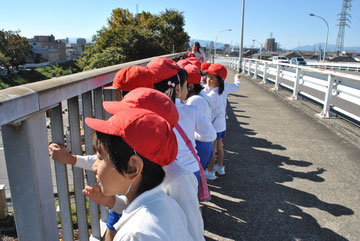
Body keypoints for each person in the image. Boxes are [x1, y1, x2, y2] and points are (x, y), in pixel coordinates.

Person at [86, 107, 194, 240]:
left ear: (132, 168)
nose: (94, 166)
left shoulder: (135, 235)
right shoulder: (168, 205)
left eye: (100, 158)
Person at [147, 57, 216, 184]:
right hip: (189, 170)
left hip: (159, 173)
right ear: (178, 89)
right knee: (188, 203)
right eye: (186, 87)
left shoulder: (147, 113)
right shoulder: (191, 111)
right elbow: (210, 135)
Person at [204, 63, 241, 180]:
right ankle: (220, 167)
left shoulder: (211, 95)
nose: (208, 79)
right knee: (219, 147)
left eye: (212, 78)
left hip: (214, 126)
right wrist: (236, 78)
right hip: (221, 125)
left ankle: (210, 172)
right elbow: (236, 86)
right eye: (207, 75)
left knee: (212, 150)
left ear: (219, 80)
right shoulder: (224, 88)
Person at [184, 64, 216, 170]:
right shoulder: (202, 94)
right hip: (206, 143)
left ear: (191, 86)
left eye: (182, 85)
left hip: (199, 143)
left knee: (196, 180)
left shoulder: (193, 100)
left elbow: (188, 126)